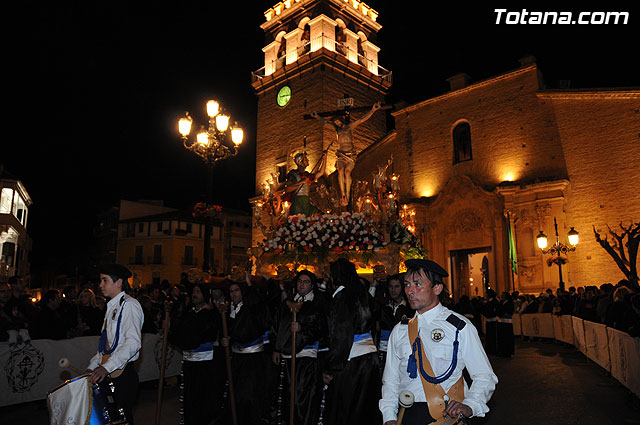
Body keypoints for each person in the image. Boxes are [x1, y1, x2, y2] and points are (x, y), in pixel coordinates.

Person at [379, 259, 497, 425]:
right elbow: (391, 380)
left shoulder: (458, 327)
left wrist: (470, 405)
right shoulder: (400, 330)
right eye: (406, 284)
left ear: (437, 288)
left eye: (417, 284)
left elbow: (484, 376)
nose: (409, 291)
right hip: (407, 414)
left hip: (446, 415)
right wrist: (389, 417)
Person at [323, 258, 381, 425]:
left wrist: (331, 367)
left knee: (346, 410)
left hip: (350, 361)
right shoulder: (363, 294)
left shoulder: (342, 297)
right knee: (366, 409)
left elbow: (340, 335)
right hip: (370, 359)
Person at [86, 264, 144, 425]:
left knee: (121, 421)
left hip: (122, 375)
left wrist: (106, 367)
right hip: (110, 372)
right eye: (101, 280)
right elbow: (105, 346)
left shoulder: (130, 305)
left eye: (105, 280)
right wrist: (91, 368)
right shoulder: (112, 307)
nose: (100, 285)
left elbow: (133, 343)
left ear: (119, 282)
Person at [271, 270, 328, 425]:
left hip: (306, 360)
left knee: (301, 399)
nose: (302, 284)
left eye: (306, 281)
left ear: (312, 285)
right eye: (300, 281)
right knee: (287, 398)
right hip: (287, 358)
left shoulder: (316, 304)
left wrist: (302, 329)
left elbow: (321, 328)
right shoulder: (287, 304)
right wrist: (276, 348)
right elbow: (278, 325)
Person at [311, 101, 381, 206]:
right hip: (341, 153)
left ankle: (347, 195)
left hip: (350, 154)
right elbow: (325, 123)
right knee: (340, 170)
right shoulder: (336, 130)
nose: (337, 124)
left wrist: (373, 110)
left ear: (341, 120)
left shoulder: (349, 127)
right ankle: (343, 194)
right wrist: (317, 117)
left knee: (347, 173)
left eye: (338, 122)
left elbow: (362, 119)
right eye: (336, 123)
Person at [222, 279, 271, 425]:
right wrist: (225, 339)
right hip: (236, 358)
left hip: (252, 360)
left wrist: (232, 337)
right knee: (234, 395)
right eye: (231, 291)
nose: (234, 294)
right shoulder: (228, 309)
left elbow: (250, 328)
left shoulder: (251, 308)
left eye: (237, 290)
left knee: (248, 396)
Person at [170, 283, 219, 425]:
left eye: (198, 292)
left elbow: (202, 335)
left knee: (202, 397)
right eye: (193, 291)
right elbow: (181, 333)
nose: (195, 294)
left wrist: (186, 340)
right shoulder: (189, 313)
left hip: (204, 363)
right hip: (189, 362)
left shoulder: (210, 314)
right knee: (189, 396)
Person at [284, 151, 327, 216]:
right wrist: (301, 182)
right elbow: (287, 189)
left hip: (306, 201)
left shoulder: (307, 175)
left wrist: (324, 159)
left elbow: (320, 173)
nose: (308, 160)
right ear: (300, 162)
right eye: (305, 159)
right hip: (298, 202)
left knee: (320, 214)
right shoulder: (293, 174)